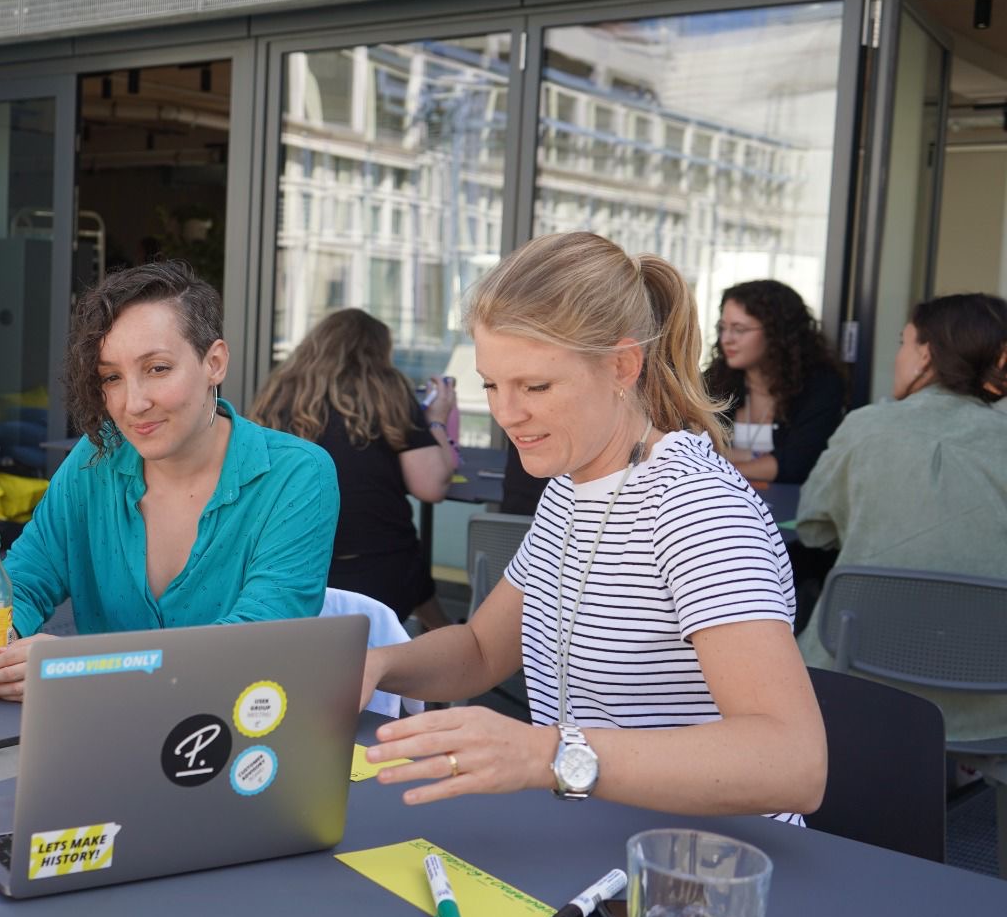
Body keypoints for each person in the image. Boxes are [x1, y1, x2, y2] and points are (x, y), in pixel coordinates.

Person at [359, 232, 826, 821]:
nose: (507, 413)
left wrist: (544, 753)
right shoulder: (569, 487)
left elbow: (793, 763)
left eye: (536, 386)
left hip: (707, 867)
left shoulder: (696, 508)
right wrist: (378, 663)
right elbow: (480, 650)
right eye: (492, 385)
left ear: (622, 366)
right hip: (602, 835)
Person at [0, 260, 339, 700]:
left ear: (214, 362)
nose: (133, 403)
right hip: (104, 737)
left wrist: (80, 669)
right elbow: (27, 579)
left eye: (157, 368)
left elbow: (256, 642)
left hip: (235, 743)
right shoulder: (95, 456)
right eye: (112, 378)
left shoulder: (298, 474)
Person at [797, 293, 1007, 738]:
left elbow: (814, 530)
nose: (899, 355)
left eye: (902, 342)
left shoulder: (866, 427)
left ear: (926, 354)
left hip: (857, 681)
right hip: (992, 702)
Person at [249, 308, 455, 625]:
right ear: (377, 352)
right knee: (409, 568)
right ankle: (449, 644)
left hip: (295, 568)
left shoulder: (278, 394)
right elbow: (431, 486)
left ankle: (446, 638)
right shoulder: (387, 391)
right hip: (381, 570)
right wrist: (437, 419)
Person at [704, 279, 846, 484]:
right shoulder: (716, 380)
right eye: (723, 328)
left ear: (776, 333)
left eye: (739, 329)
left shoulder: (820, 385)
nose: (726, 338)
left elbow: (797, 464)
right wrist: (758, 460)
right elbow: (691, 445)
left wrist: (722, 464)